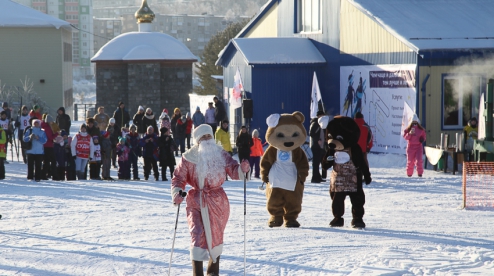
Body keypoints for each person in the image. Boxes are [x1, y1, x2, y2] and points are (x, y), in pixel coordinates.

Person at [171, 124, 250, 276]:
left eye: (208, 136)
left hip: (218, 201)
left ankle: (213, 271)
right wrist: (177, 192)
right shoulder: (188, 157)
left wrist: (242, 169)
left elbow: (233, 169)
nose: (207, 139)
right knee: (197, 232)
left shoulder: (220, 153)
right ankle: (197, 272)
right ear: (197, 140)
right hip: (196, 200)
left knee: (215, 235)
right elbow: (178, 178)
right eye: (203, 136)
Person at [309, 111, 326, 183]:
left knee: (320, 161)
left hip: (321, 146)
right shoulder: (315, 123)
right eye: (321, 116)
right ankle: (314, 177)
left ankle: (318, 176)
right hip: (316, 146)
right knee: (316, 162)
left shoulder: (322, 124)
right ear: (318, 116)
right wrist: (317, 140)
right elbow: (311, 133)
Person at [41, 114, 59, 180]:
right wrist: (56, 134)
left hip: (46, 146)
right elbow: (50, 137)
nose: (52, 122)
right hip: (48, 146)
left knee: (46, 161)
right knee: (52, 161)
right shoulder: (47, 128)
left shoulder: (45, 127)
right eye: (51, 121)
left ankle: (43, 175)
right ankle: (54, 175)